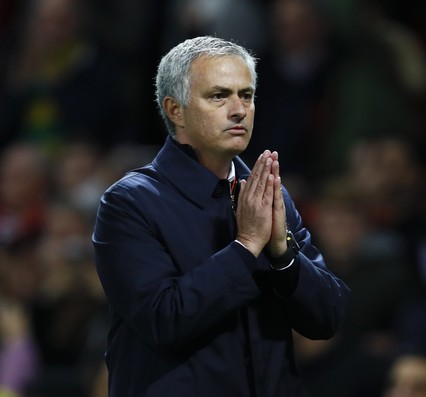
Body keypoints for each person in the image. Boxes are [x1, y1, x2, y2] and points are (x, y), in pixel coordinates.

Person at [92, 36, 349, 396]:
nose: (239, 109)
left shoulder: (269, 195)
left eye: (246, 95)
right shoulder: (129, 203)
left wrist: (282, 254)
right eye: (219, 96)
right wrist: (246, 247)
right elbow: (164, 320)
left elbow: (329, 317)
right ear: (175, 109)